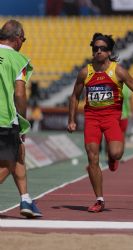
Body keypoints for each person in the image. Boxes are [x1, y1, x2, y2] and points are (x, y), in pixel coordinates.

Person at [67, 32, 133, 213]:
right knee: (92, 157)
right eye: (95, 48)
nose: (98, 52)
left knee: (117, 153)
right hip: (92, 119)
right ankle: (99, 199)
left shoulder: (117, 71)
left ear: (109, 52)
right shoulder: (85, 72)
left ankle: (112, 158)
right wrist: (71, 120)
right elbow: (74, 96)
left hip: (112, 118)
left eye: (102, 49)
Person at [0, 20, 42, 218]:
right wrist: (23, 122)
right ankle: (25, 199)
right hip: (4, 118)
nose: (23, 43)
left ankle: (25, 199)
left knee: (18, 155)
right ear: (16, 38)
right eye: (23, 39)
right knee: (8, 163)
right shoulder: (19, 60)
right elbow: (19, 93)